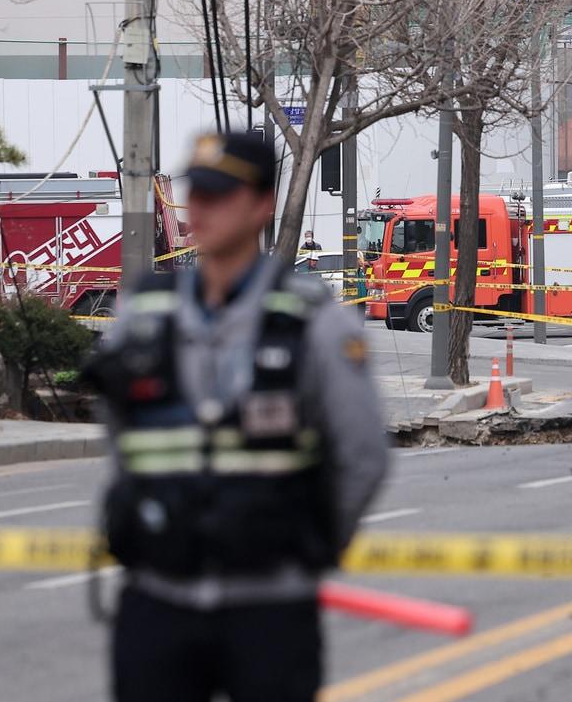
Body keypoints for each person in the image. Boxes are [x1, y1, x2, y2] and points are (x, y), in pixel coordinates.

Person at [84, 132, 389, 702]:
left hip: (270, 605)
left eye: (220, 194)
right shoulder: (144, 314)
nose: (201, 208)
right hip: (158, 600)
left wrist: (310, 545)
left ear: (261, 205)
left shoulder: (313, 322)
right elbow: (120, 436)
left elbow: (362, 454)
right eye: (196, 193)